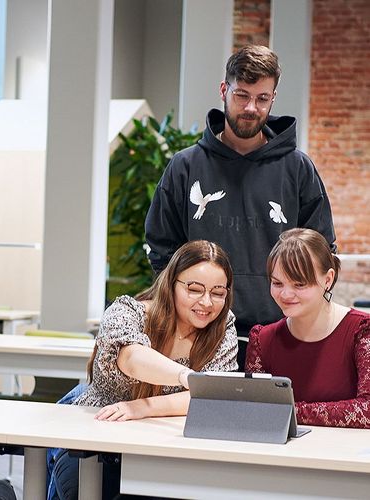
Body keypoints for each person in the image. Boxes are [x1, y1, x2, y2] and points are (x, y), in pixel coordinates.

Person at [144, 45, 336, 366]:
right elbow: (162, 248)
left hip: (281, 334)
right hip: (200, 335)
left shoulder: (298, 169)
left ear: (273, 98)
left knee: (277, 416)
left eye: (262, 98)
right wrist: (189, 308)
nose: (251, 107)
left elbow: (320, 251)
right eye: (242, 95)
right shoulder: (185, 166)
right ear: (224, 90)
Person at [47, 239, 238, 500]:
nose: (206, 303)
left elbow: (211, 395)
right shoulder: (127, 312)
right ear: (171, 283)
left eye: (218, 293)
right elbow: (131, 358)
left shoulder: (223, 327)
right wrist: (187, 377)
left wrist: (139, 407)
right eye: (194, 289)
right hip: (98, 442)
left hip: (170, 447)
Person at [245, 228, 370, 428]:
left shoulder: (362, 330)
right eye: (277, 283)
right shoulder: (262, 339)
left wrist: (289, 410)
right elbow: (254, 409)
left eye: (299, 285)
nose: (286, 294)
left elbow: (367, 410)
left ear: (328, 280)